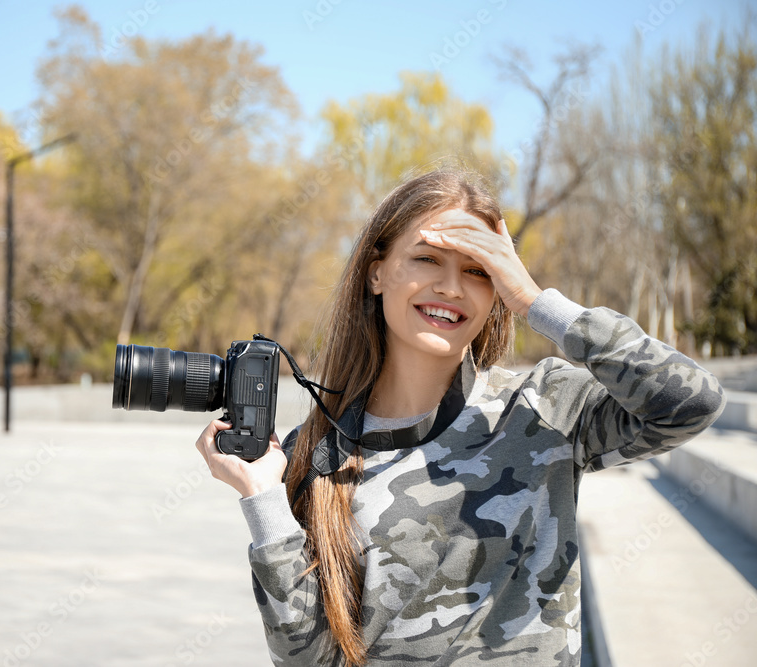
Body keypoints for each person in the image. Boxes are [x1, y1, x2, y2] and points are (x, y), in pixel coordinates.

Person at [194, 168, 726, 666]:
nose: (451, 287)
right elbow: (309, 658)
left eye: (478, 270)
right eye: (427, 259)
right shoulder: (316, 450)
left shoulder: (546, 407)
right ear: (376, 273)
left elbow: (691, 403)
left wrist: (535, 300)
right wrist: (263, 500)